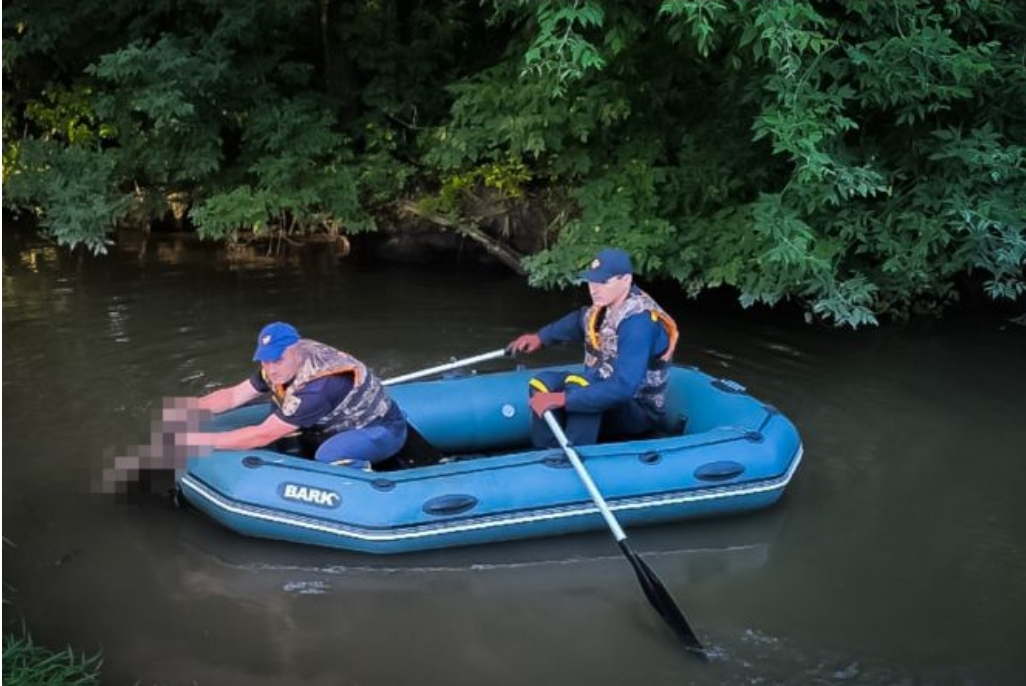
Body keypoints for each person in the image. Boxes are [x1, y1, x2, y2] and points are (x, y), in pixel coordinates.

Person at [176, 322, 408, 469]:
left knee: (330, 455)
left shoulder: (319, 387)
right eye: (265, 360)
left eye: (277, 360)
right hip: (335, 420)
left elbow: (262, 436)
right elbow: (235, 396)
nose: (271, 368)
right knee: (278, 404)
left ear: (297, 352)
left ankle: (362, 480)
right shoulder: (279, 365)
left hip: (379, 429)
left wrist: (199, 442)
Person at [508, 248, 678, 448]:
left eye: (603, 282)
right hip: (604, 392)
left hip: (637, 412)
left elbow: (623, 388)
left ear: (626, 280)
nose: (594, 289)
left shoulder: (639, 323)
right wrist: (540, 337)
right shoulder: (603, 307)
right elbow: (578, 322)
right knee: (542, 383)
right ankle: (547, 455)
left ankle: (580, 451)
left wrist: (563, 399)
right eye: (591, 281)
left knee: (581, 384)